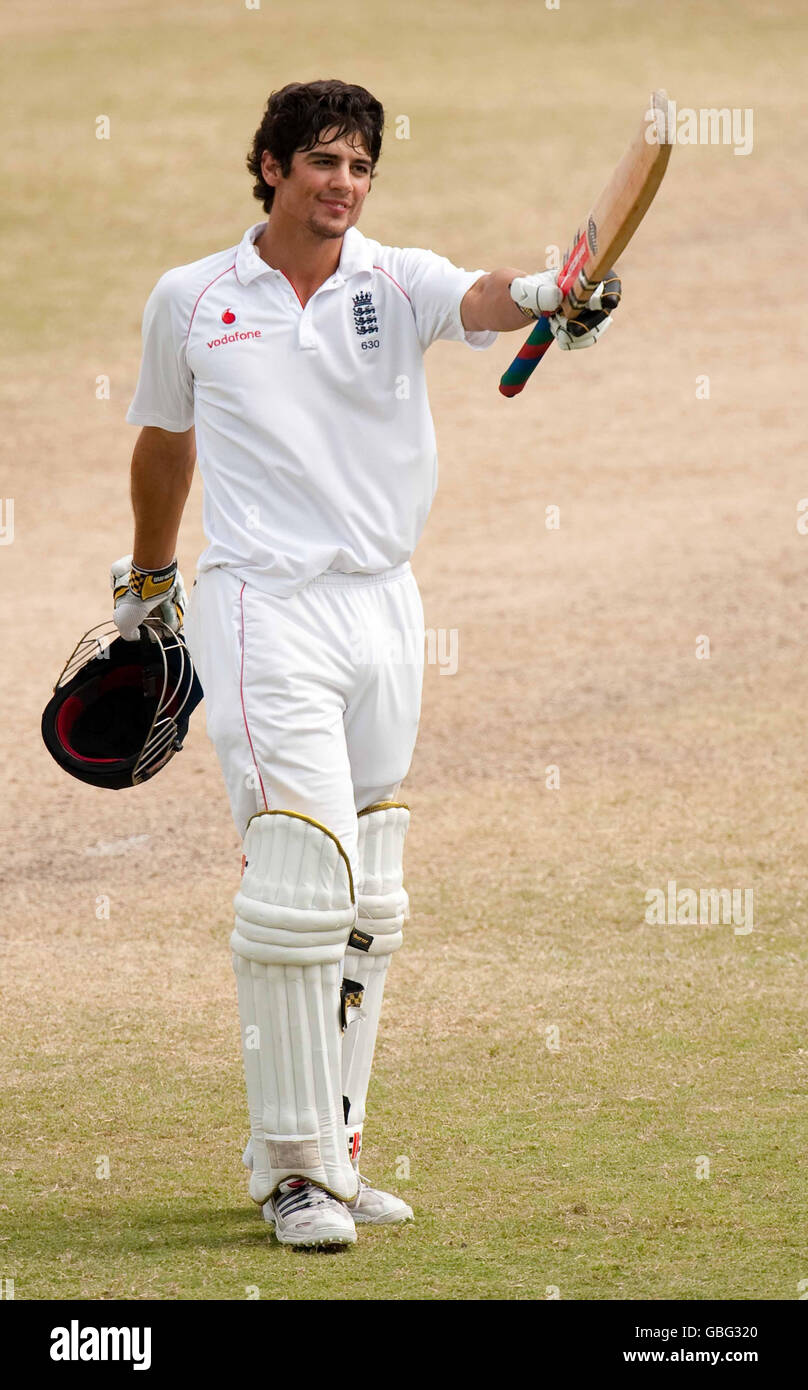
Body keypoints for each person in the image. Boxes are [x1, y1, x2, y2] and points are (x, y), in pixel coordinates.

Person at [113, 79, 618, 1248]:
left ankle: (332, 1146)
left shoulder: (395, 281)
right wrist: (147, 587)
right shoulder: (192, 299)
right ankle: (290, 1175)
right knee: (300, 878)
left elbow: (492, 295)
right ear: (272, 165)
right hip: (262, 608)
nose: (342, 183)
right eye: (322, 161)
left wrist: (559, 297)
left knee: (369, 895)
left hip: (385, 607)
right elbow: (164, 441)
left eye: (359, 166)